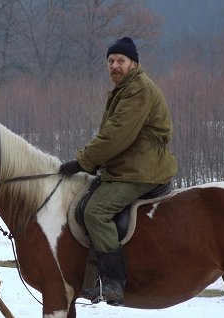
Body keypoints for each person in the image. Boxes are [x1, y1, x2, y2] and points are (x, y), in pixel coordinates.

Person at [59, 37, 177, 305]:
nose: (115, 66)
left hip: (142, 169)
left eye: (120, 61)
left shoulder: (139, 90)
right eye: (111, 61)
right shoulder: (123, 89)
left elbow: (116, 136)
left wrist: (82, 162)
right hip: (127, 167)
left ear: (133, 63)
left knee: (96, 211)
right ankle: (89, 280)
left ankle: (112, 282)